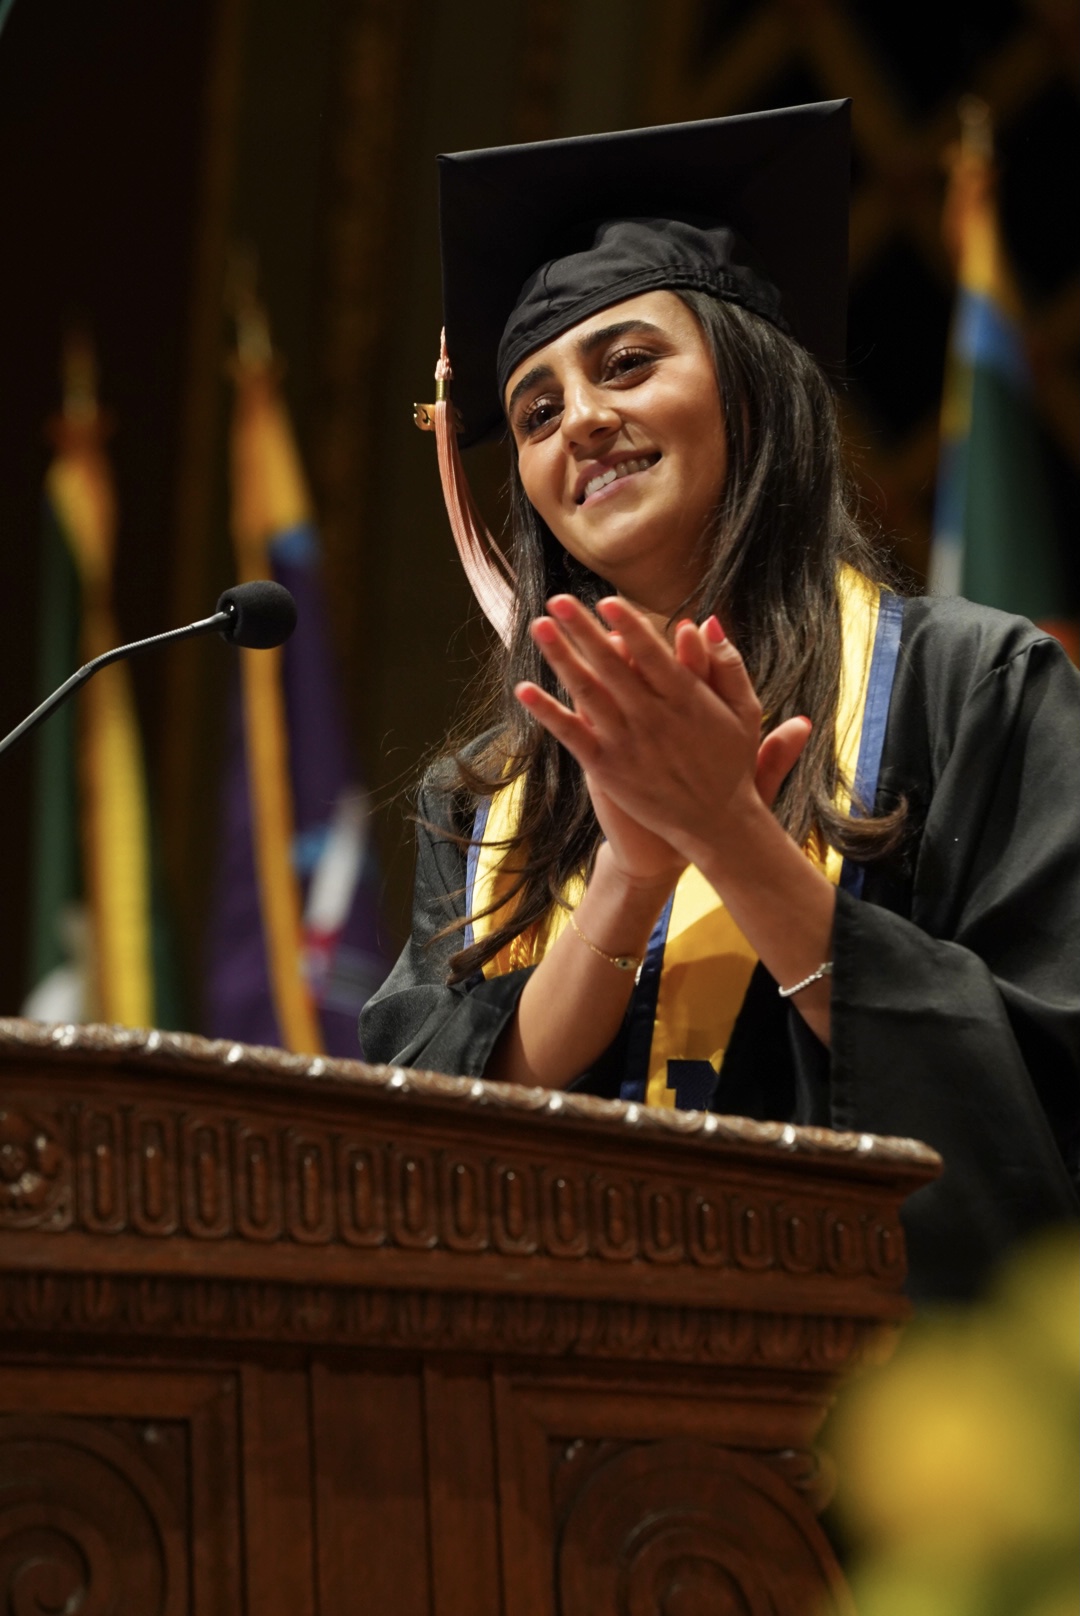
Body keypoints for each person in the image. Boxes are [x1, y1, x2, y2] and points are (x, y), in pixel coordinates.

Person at [360, 101, 1080, 1304]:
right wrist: (632, 872)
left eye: (627, 362)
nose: (578, 419)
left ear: (748, 387)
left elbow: (1038, 1107)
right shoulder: (491, 793)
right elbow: (420, 1143)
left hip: (893, 1428)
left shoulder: (975, 690)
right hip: (558, 1423)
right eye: (534, 412)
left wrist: (737, 839)